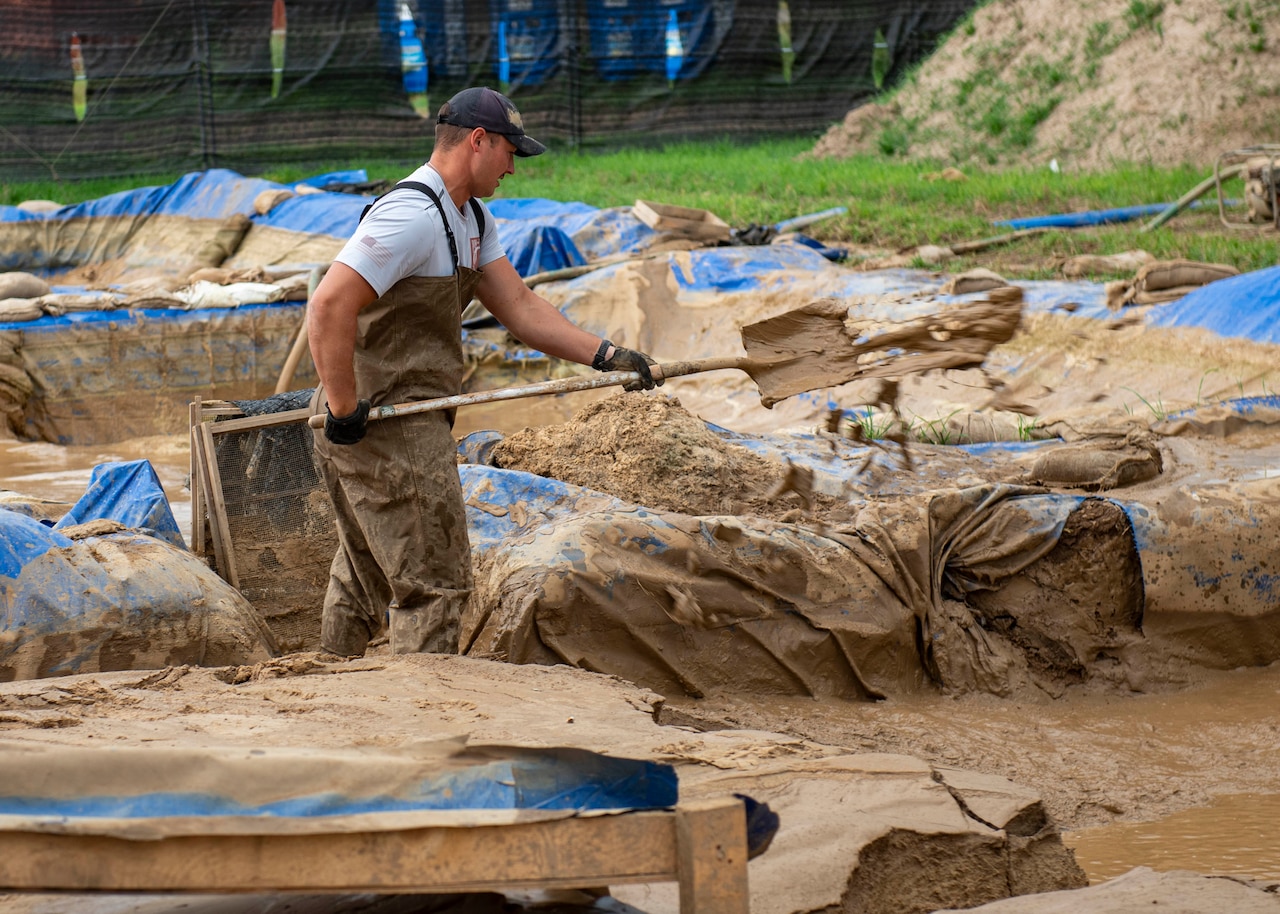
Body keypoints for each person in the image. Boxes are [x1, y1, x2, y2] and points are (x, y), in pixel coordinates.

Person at [307, 86, 662, 658]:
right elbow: (328, 305)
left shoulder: (471, 218)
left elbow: (520, 308)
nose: (513, 168)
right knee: (436, 584)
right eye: (510, 153)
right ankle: (426, 717)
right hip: (385, 423)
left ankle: (330, 689)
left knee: (365, 571)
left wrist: (606, 355)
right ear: (478, 141)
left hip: (399, 416)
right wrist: (345, 410)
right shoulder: (411, 216)